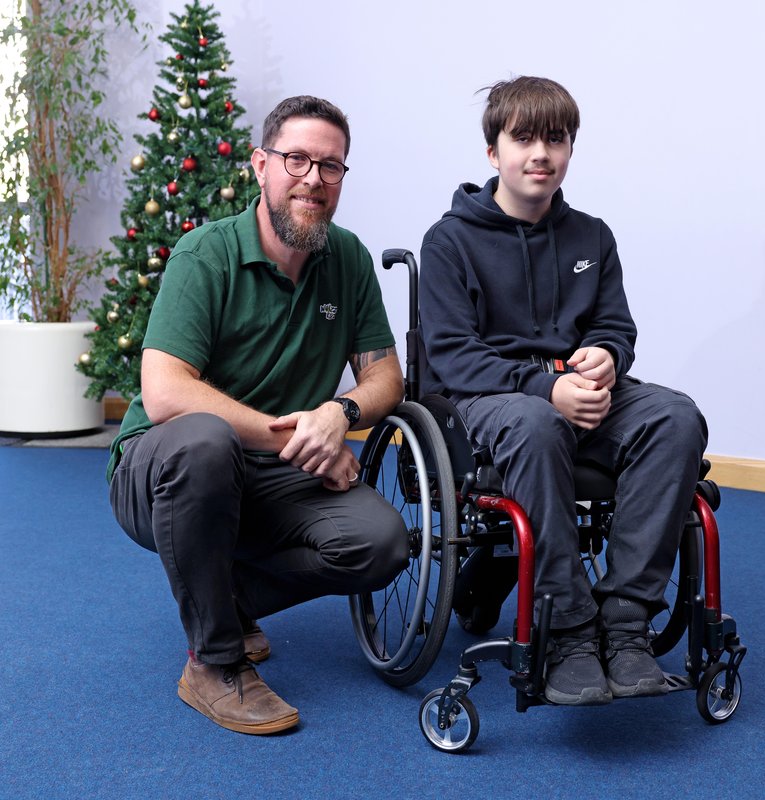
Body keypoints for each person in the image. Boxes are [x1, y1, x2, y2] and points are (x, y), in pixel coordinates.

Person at [108, 95, 409, 734]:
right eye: (296, 159)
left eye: (331, 167)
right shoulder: (204, 254)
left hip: (274, 473)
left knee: (381, 544)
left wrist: (339, 412)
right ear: (260, 166)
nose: (313, 179)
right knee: (205, 443)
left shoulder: (347, 259)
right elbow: (165, 392)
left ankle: (222, 594)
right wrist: (304, 437)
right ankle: (213, 664)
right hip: (163, 466)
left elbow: (385, 374)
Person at [418, 77, 707, 706]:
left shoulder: (592, 236)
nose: (540, 152)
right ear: (493, 152)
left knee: (677, 418)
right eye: (522, 138)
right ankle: (571, 628)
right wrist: (545, 389)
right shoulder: (450, 241)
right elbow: (452, 356)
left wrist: (607, 355)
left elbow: (614, 326)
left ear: (570, 149)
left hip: (581, 391)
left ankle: (626, 620)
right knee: (536, 424)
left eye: (556, 138)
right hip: (493, 396)